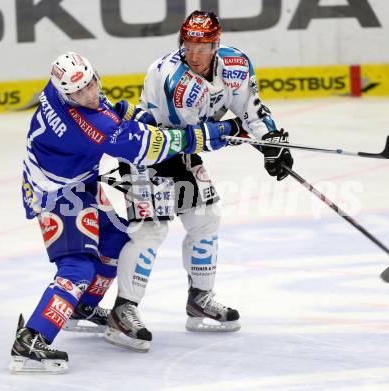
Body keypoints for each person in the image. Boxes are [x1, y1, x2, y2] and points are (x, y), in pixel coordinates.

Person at [9, 51, 234, 373]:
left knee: (114, 242)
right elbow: (148, 147)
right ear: (64, 93)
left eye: (90, 84)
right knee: (77, 268)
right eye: (78, 92)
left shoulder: (60, 89)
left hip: (79, 183)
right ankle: (32, 338)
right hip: (56, 194)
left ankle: (81, 308)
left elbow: (109, 113)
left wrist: (128, 114)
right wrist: (209, 135)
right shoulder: (88, 125)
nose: (88, 95)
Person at [106, 10, 293, 352]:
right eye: (188, 45)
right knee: (151, 229)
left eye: (203, 46)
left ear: (216, 45)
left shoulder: (236, 64)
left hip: (181, 150)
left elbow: (250, 108)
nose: (194, 53)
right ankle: (123, 309)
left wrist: (271, 142)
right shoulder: (171, 78)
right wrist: (233, 130)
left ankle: (199, 300)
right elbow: (191, 138)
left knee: (206, 218)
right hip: (147, 149)